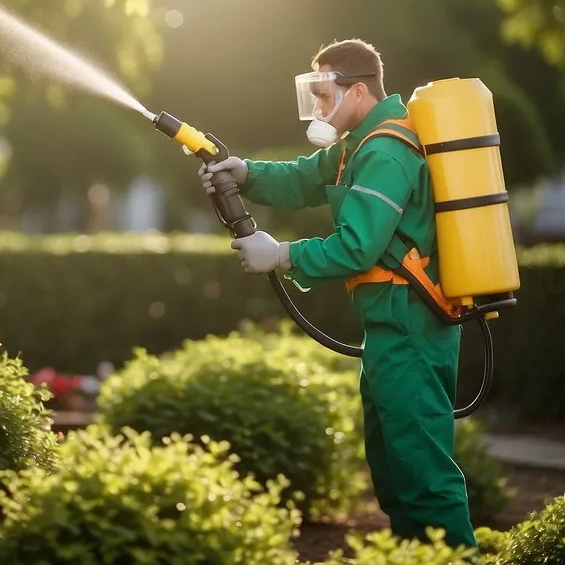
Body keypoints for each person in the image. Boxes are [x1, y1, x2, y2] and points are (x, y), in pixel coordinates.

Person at [199, 39, 477, 549]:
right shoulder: (361, 143)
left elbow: (357, 248)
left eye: (325, 95)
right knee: (395, 481)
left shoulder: (388, 151)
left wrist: (281, 254)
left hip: (412, 332)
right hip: (390, 334)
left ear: (359, 91)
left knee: (426, 482)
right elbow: (305, 178)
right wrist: (246, 173)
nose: (320, 108)